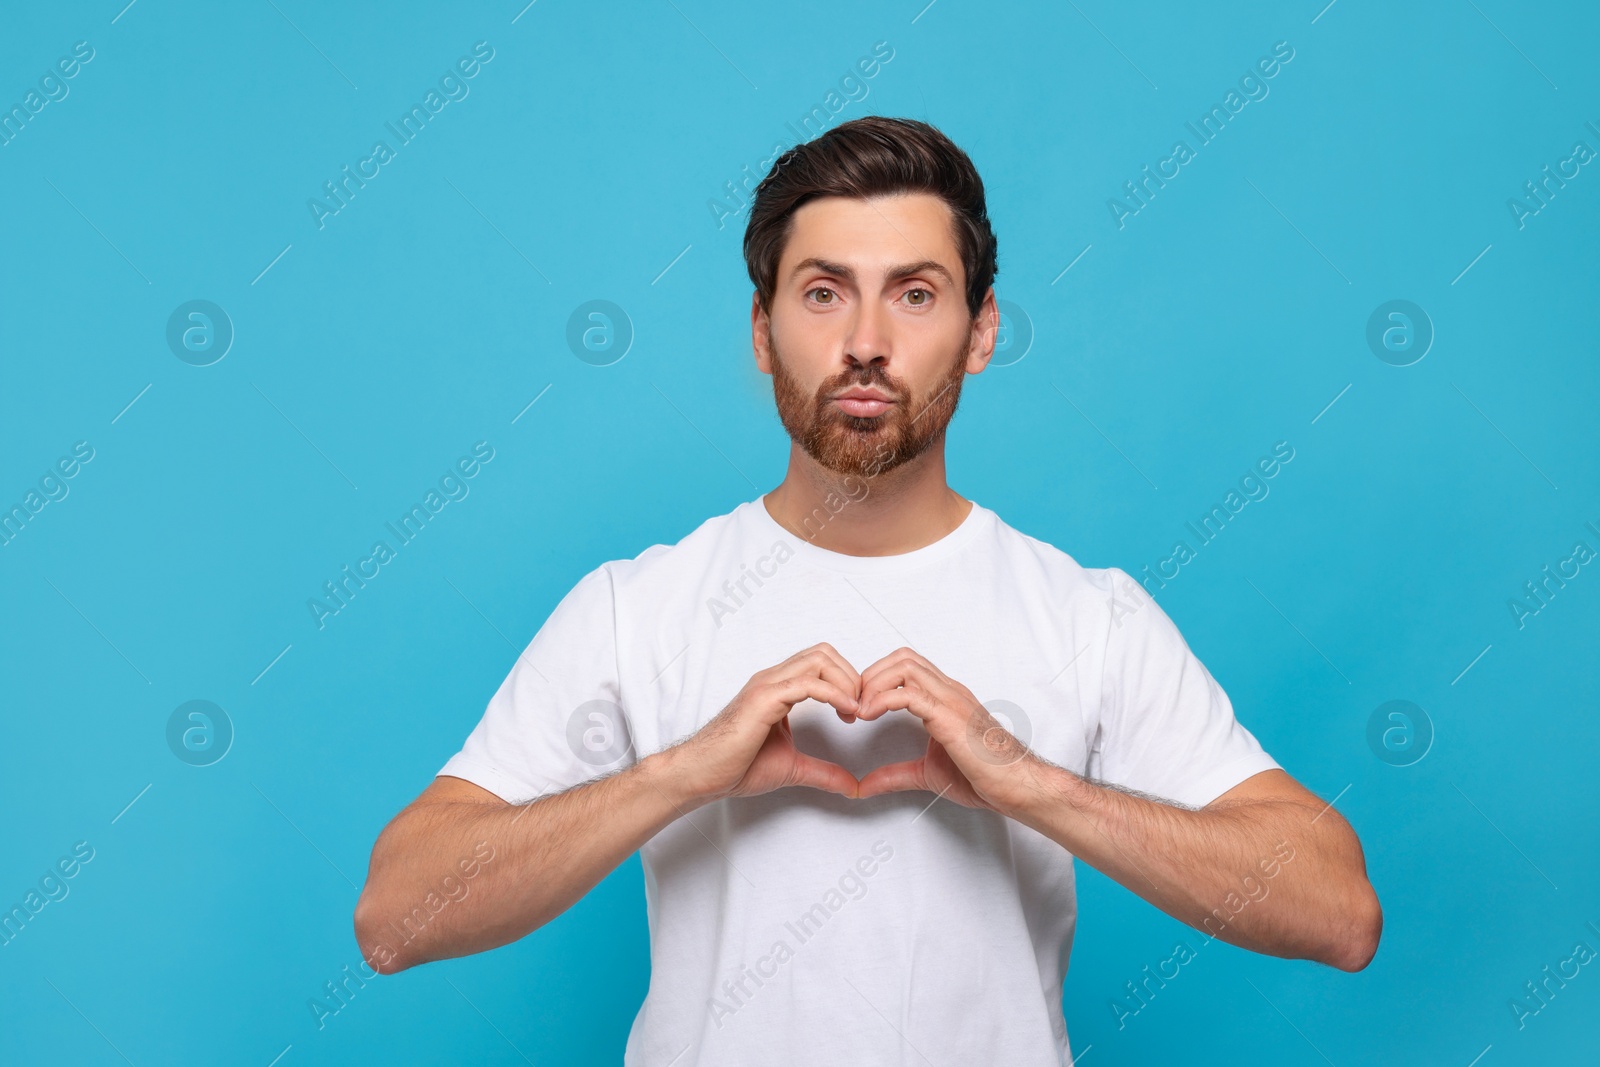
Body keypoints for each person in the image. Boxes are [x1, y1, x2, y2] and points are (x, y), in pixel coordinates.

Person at [353, 115, 1381, 1065]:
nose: (865, 341)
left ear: (981, 333)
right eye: (822, 291)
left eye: (916, 292)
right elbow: (396, 915)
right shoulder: (638, 605)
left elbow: (1337, 911)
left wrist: (1032, 783)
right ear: (762, 332)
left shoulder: (1085, 617)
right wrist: (682, 772)